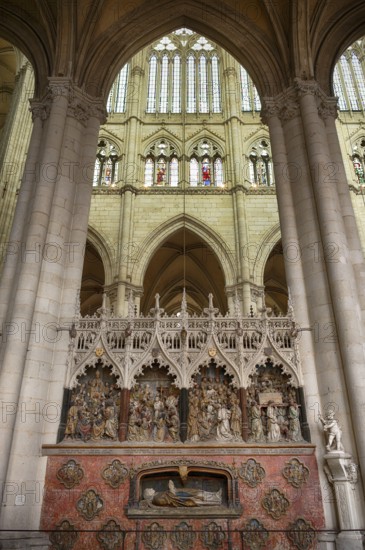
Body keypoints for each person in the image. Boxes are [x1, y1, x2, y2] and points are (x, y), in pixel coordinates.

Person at [144, 480, 222, 507]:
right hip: (181, 500)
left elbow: (168, 495)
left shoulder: (157, 495)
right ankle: (215, 499)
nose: (151, 488)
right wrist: (171, 489)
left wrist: (172, 488)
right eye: (149, 489)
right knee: (197, 496)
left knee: (197, 491)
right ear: (149, 494)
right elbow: (168, 501)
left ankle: (215, 495)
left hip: (179, 493)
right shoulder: (156, 499)